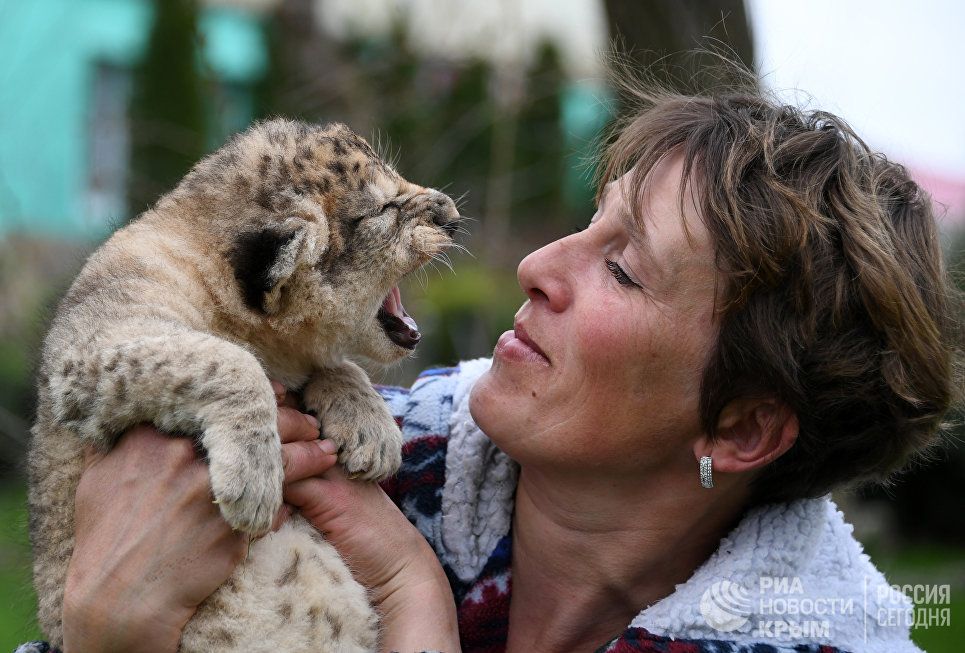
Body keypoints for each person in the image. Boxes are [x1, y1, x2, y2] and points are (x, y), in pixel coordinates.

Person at [19, 81, 960, 653]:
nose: (536, 265)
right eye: (590, 219)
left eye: (623, 268)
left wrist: (410, 594)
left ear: (741, 427)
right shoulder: (394, 444)